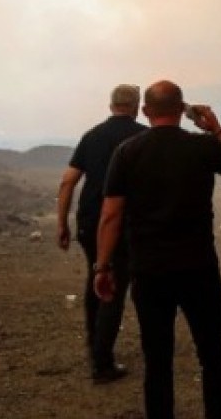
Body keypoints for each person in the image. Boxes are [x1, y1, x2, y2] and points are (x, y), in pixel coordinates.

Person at [93, 81, 221, 419]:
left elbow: (110, 215)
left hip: (149, 272)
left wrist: (102, 267)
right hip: (198, 269)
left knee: (158, 361)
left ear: (145, 111)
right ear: (183, 110)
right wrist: (216, 129)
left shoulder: (127, 152)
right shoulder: (201, 147)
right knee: (212, 356)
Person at [55, 83, 145, 384]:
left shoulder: (92, 136)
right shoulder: (142, 137)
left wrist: (62, 223)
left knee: (95, 273)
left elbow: (68, 181)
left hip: (88, 221)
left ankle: (94, 342)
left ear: (111, 106)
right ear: (136, 107)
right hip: (122, 224)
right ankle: (102, 363)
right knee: (113, 287)